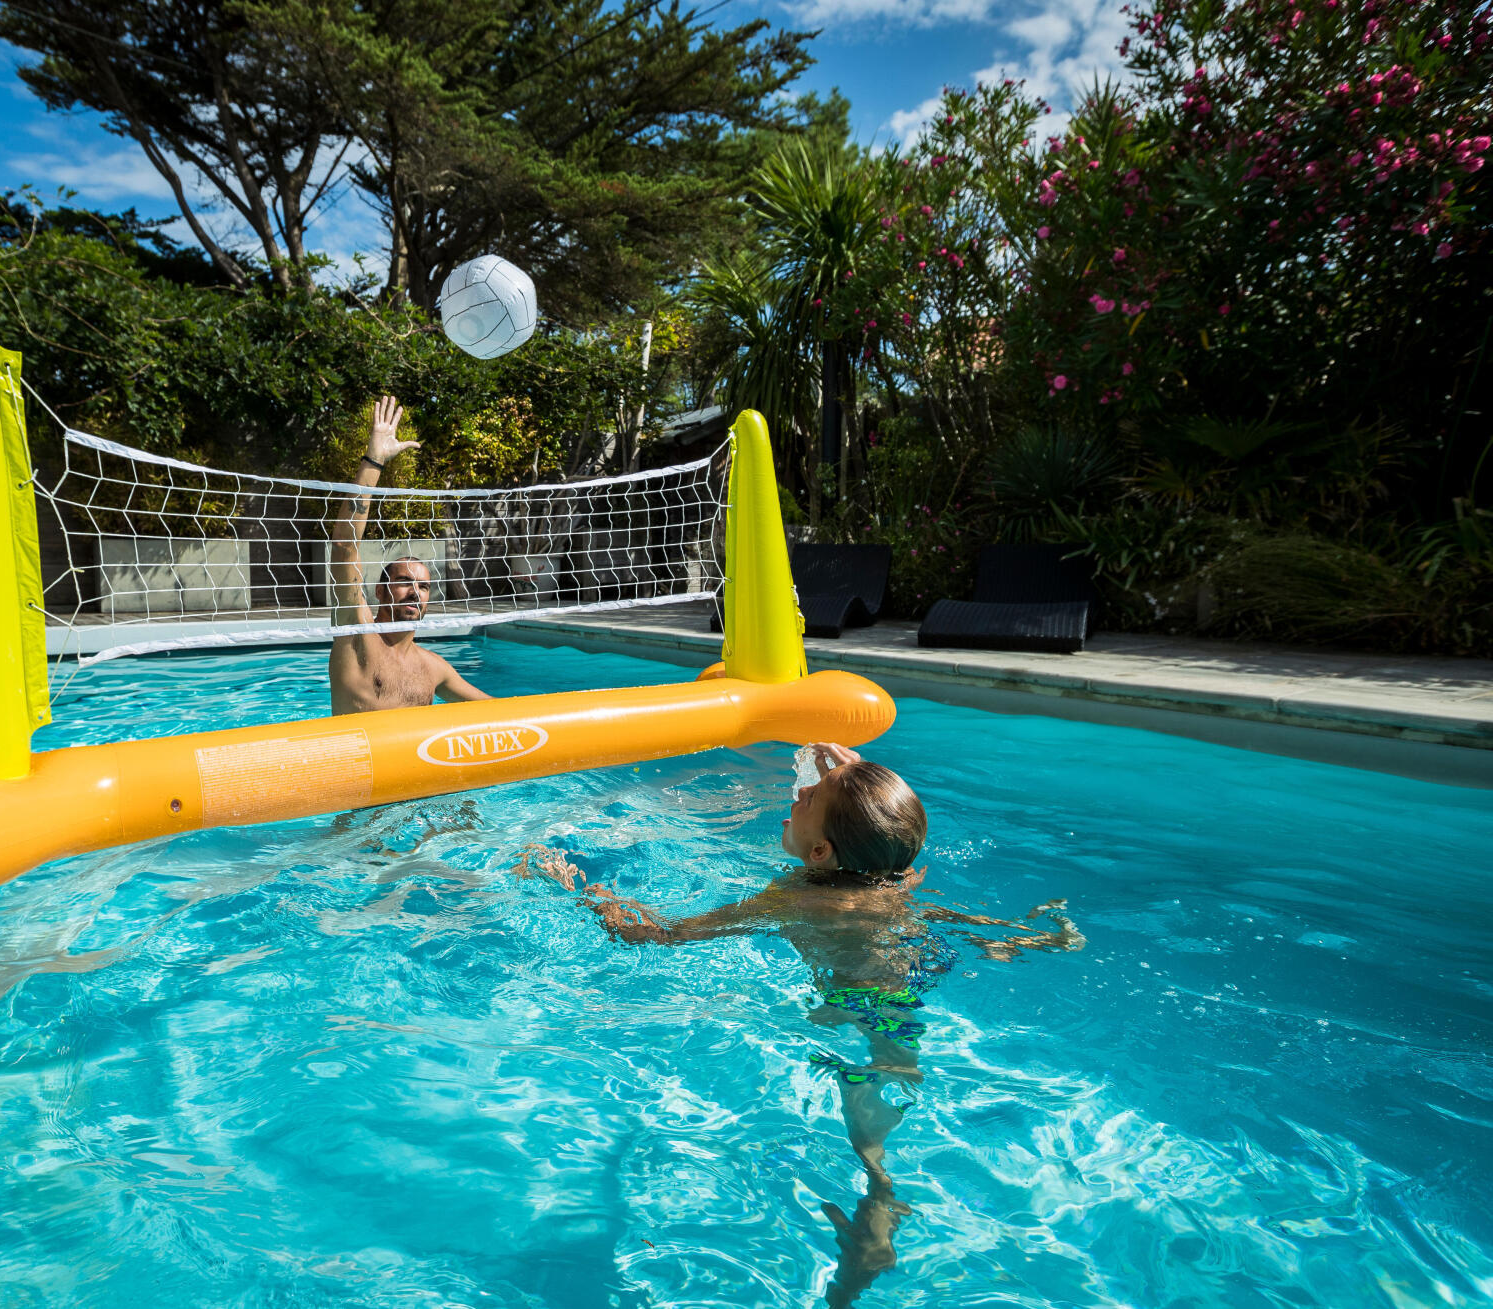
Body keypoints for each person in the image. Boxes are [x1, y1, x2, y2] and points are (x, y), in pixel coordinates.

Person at [516, 743, 1082, 1308]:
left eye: (808, 796)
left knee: (865, 1112)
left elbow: (665, 935)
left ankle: (881, 1204)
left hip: (852, 1002)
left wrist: (581, 891)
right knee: (885, 1080)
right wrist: (853, 779)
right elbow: (885, 834)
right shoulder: (889, 876)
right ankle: (1016, 943)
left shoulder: (793, 898)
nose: (797, 793)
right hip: (908, 979)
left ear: (818, 853)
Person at [329, 395, 490, 715]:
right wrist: (374, 461)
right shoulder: (356, 633)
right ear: (380, 590)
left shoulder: (434, 668)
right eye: (404, 582)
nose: (415, 592)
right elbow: (344, 548)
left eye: (424, 586)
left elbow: (495, 710)